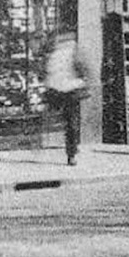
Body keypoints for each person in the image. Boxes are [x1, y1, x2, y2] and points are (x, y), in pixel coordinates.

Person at [44, 32, 92, 166]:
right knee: (72, 122)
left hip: (57, 90)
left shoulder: (54, 54)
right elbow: (84, 69)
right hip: (71, 90)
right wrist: (84, 81)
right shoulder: (74, 53)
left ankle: (69, 149)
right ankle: (71, 152)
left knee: (66, 121)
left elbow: (48, 71)